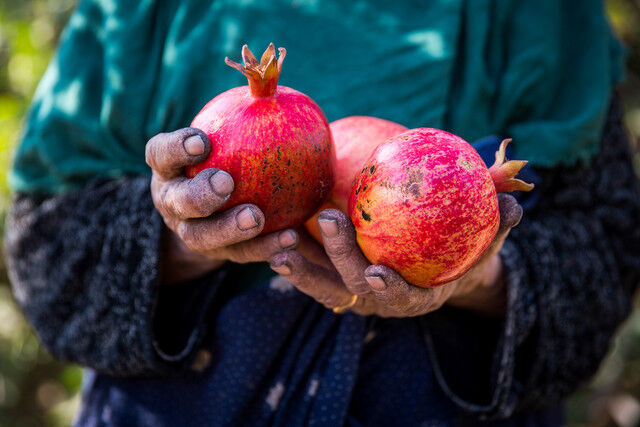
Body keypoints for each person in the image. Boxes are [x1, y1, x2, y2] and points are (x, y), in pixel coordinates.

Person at [5, 0, 640, 425]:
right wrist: (178, 236)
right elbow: (44, 246)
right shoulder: (133, 14)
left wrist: (474, 276)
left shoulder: (545, 16)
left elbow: (608, 257)